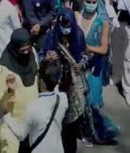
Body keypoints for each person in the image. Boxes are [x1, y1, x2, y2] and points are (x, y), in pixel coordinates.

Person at [39, 10, 87, 153]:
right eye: (63, 25)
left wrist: (82, 64)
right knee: (54, 122)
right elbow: (41, 55)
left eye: (68, 25)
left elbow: (86, 55)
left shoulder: (78, 35)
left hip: (72, 86)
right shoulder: (52, 35)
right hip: (55, 84)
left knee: (71, 125)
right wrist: (48, 57)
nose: (66, 28)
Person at [77, 0, 119, 145]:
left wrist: (87, 48)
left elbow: (103, 48)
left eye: (94, 1)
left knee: (91, 102)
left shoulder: (103, 21)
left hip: (94, 66)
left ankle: (97, 132)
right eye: (88, 1)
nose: (90, 3)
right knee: (77, 101)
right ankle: (84, 130)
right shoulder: (77, 16)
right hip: (76, 63)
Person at [2, 59, 67, 153]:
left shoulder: (33, 107)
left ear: (41, 81)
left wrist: (6, 114)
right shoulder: (63, 99)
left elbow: (20, 134)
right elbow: (55, 87)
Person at [0, 29, 40, 153]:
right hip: (14, 123)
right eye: (22, 50)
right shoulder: (5, 67)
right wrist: (9, 91)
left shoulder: (33, 54)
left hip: (33, 122)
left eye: (28, 49)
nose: (26, 52)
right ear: (15, 49)